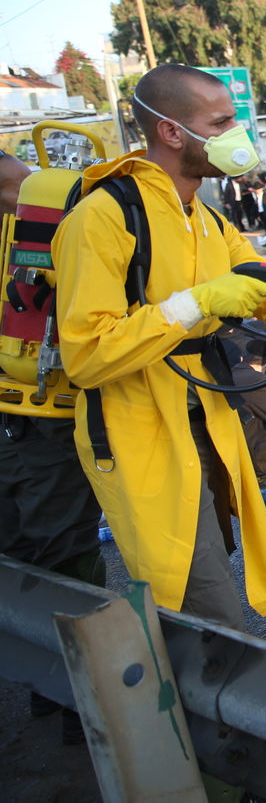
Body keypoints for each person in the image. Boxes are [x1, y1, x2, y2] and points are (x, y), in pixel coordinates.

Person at [51, 63, 266, 628]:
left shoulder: (204, 217)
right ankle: (211, 682)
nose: (237, 134)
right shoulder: (102, 218)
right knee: (194, 596)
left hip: (204, 419)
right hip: (138, 430)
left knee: (208, 560)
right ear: (171, 131)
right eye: (221, 122)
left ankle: (193, 676)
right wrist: (194, 304)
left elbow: (252, 285)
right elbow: (86, 355)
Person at [0, 149, 103, 744]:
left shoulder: (46, 197)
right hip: (32, 413)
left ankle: (71, 696)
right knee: (43, 551)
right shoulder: (41, 195)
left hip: (42, 409)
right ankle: (63, 692)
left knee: (55, 550)